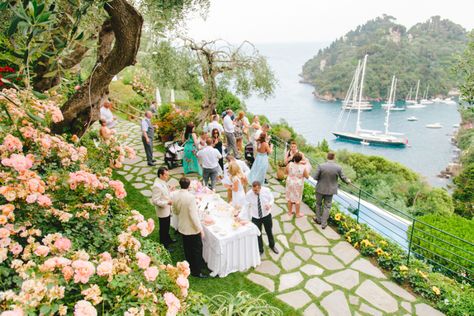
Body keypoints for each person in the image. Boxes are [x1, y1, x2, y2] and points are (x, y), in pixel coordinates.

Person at [171, 177, 208, 278]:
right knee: (196, 249)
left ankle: (188, 265)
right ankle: (197, 271)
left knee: (187, 248)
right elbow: (193, 216)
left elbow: (174, 211)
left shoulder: (175, 195)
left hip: (182, 226)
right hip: (191, 228)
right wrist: (200, 229)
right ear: (188, 186)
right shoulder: (190, 197)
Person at [312, 152, 351, 229]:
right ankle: (323, 224)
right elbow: (343, 178)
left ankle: (318, 220)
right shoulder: (338, 167)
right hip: (330, 190)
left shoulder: (321, 166)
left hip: (320, 189)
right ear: (334, 157)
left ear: (327, 157)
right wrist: (348, 181)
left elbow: (315, 177)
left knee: (318, 204)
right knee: (327, 207)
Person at [242, 181, 278, 255]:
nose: (254, 192)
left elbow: (272, 199)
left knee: (269, 231)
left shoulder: (266, 191)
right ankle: (260, 250)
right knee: (258, 234)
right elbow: (245, 206)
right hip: (255, 217)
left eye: (256, 190)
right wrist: (241, 216)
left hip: (266, 215)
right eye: (253, 190)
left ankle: (272, 245)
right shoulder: (249, 194)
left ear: (260, 188)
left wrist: (270, 205)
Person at [151, 167, 175, 250]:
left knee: (167, 226)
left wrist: (169, 189)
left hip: (167, 210)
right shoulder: (156, 186)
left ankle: (168, 239)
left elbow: (163, 192)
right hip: (162, 211)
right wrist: (167, 203)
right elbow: (155, 201)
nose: (167, 176)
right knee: (163, 228)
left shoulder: (161, 181)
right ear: (161, 175)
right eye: (166, 175)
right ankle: (164, 245)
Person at [285, 153, 309, 218]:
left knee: (289, 197)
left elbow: (286, 172)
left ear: (294, 158)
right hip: (298, 184)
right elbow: (307, 176)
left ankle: (289, 212)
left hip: (289, 182)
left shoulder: (289, 164)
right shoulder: (303, 167)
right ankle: (297, 214)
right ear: (300, 159)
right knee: (297, 199)